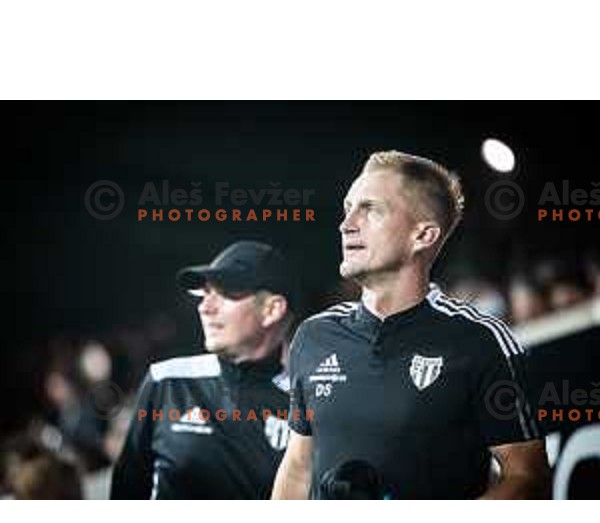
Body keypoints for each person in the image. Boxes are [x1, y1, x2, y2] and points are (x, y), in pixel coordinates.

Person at [272, 150, 550, 500]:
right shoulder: (313, 336)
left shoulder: (480, 340)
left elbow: (527, 475)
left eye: (370, 209)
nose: (346, 224)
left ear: (423, 235)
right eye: (348, 208)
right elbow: (299, 465)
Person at [111, 241, 295, 499]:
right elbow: (126, 493)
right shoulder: (167, 381)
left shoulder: (309, 398)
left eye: (226, 293)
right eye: (205, 293)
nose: (205, 307)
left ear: (272, 309)